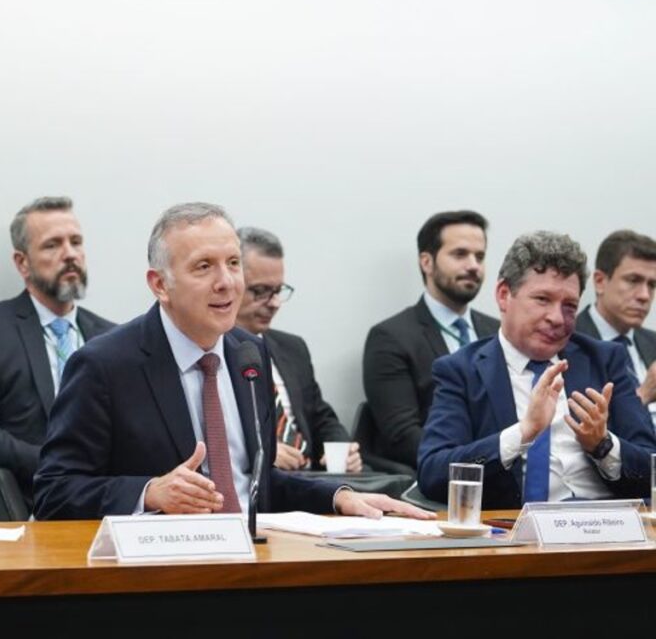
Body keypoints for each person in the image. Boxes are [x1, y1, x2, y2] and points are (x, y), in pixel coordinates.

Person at [33, 202, 432, 521]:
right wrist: (148, 492)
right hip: (161, 578)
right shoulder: (105, 365)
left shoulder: (248, 353)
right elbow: (54, 491)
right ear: (160, 285)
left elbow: (256, 484)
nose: (227, 282)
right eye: (204, 267)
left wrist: (341, 497)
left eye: (233, 263)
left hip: (254, 558)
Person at [418, 231, 656, 508]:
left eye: (569, 306)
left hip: (605, 530)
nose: (557, 318)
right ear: (504, 295)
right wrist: (523, 433)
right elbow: (433, 474)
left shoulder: (604, 360)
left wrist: (602, 445)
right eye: (542, 299)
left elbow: (651, 466)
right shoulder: (461, 370)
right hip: (513, 536)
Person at [0, 197, 115, 504]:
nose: (70, 254)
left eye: (76, 242)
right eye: (53, 245)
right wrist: (59, 469)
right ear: (22, 263)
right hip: (27, 505)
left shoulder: (112, 337)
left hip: (107, 504)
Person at [362, 210, 499, 469]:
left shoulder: (499, 332)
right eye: (460, 254)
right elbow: (401, 435)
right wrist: (476, 464)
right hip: (435, 481)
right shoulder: (391, 337)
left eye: (479, 256)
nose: (473, 266)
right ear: (427, 262)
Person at [235, 226, 360, 473]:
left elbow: (321, 417)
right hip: (260, 482)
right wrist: (263, 450)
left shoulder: (292, 348)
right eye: (260, 291)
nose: (274, 303)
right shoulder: (210, 353)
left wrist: (342, 448)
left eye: (278, 290)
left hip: (310, 481)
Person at [575, 230, 656, 426]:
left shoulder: (653, 342)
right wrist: (642, 395)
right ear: (600, 282)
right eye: (633, 280)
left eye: (652, 284)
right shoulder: (569, 343)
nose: (644, 295)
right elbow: (576, 429)